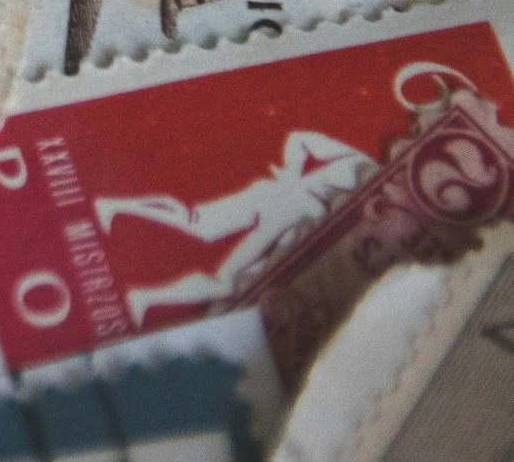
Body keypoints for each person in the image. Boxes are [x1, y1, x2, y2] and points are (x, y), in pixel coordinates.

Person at [95, 128, 376, 325]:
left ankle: (144, 297)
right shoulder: (365, 168)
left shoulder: (371, 192)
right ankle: (117, 208)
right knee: (202, 229)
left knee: (227, 279)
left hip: (287, 219)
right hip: (282, 203)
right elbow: (300, 139)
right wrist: (292, 177)